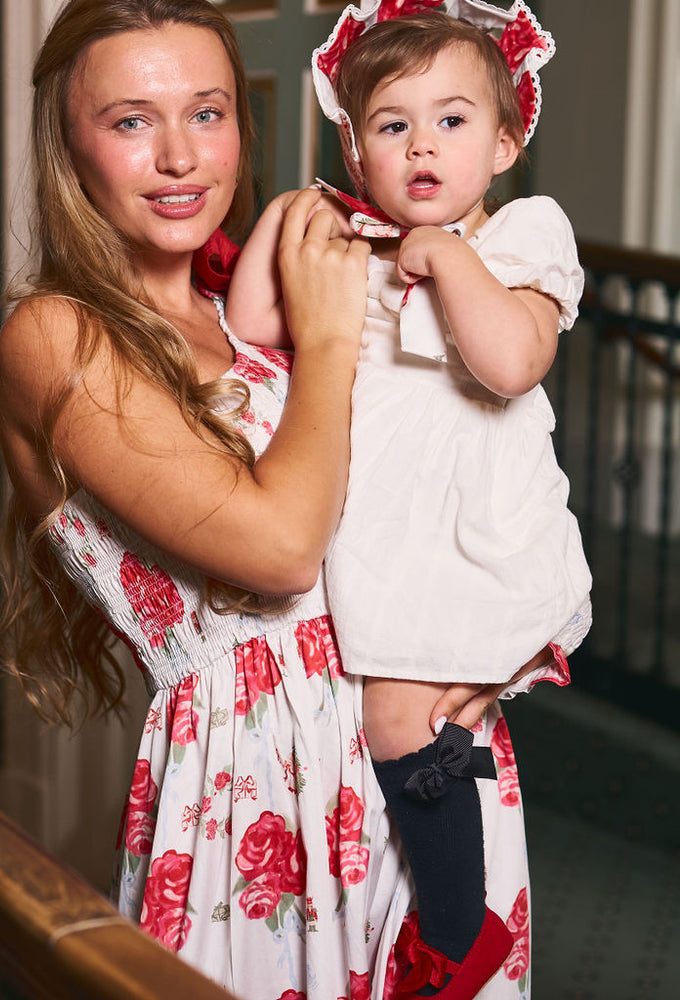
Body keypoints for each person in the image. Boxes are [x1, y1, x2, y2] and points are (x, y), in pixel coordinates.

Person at [0, 1, 561, 997]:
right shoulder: (57, 335)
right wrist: (333, 332)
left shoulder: (251, 296)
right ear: (68, 144)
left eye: (206, 113)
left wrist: (500, 624)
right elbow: (284, 548)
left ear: (242, 123)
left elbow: (455, 457)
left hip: (416, 749)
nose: (178, 156)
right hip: (253, 787)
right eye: (130, 121)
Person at [223, 3, 591, 996]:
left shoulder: (521, 234)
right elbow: (253, 322)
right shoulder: (354, 244)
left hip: (473, 530)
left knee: (394, 718)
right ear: (354, 146)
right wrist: (286, 222)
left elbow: (512, 361)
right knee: (392, 721)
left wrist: (445, 257)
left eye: (452, 120)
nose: (421, 144)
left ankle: (454, 929)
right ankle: (439, 911)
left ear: (508, 139)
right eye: (390, 125)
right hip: (386, 532)